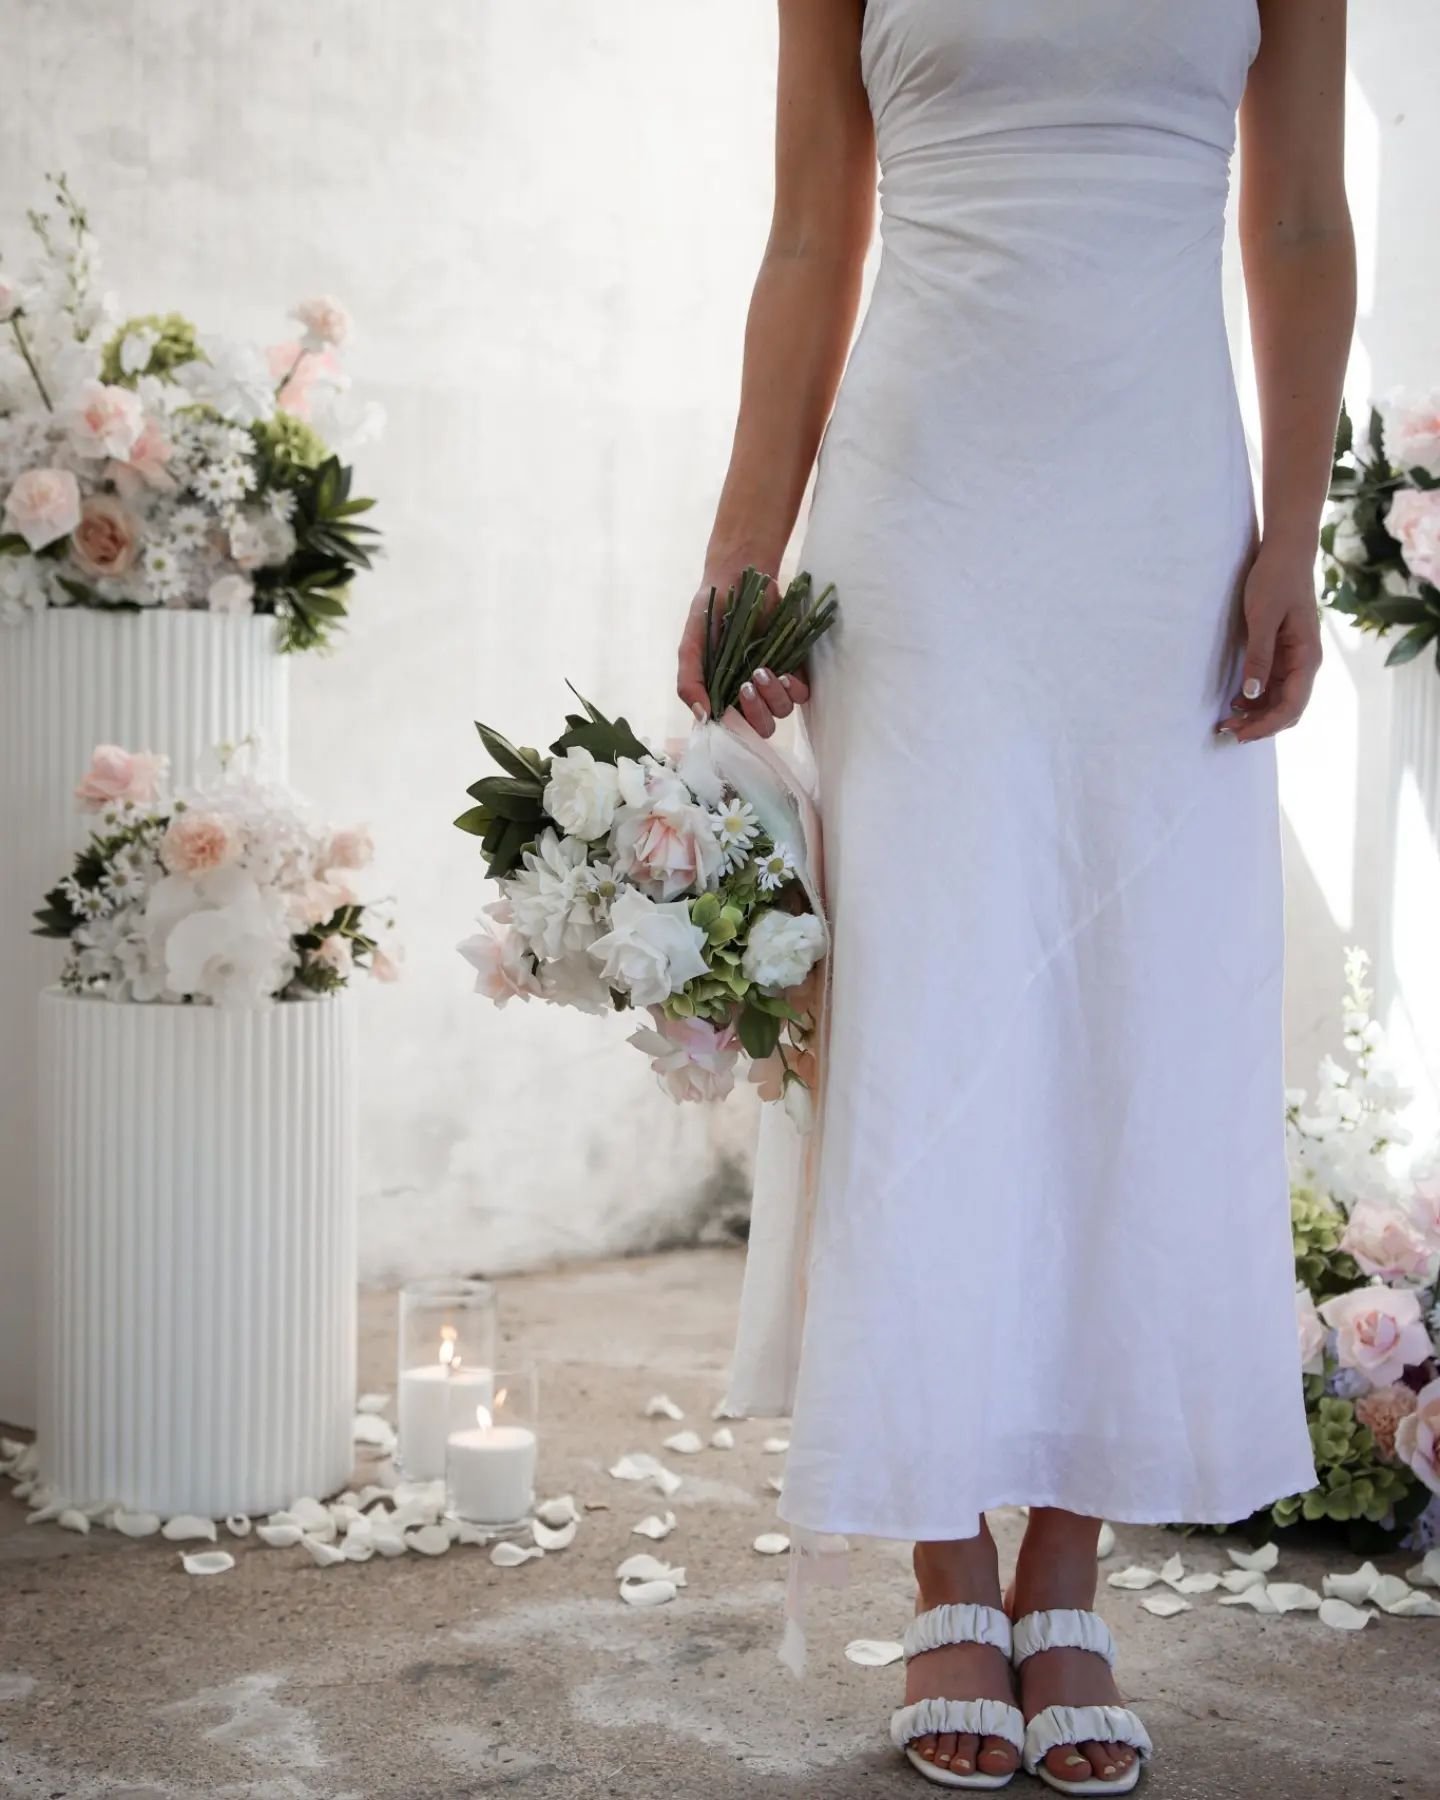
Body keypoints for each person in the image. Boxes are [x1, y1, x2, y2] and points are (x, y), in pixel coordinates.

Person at [676, 1, 1354, 1792]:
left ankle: (1068, 1564)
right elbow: (815, 226)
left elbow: (1294, 218)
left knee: (1139, 1015)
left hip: (1160, 520)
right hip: (927, 509)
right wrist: (751, 532)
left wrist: (1292, 532)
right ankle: (944, 1564)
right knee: (928, 1011)